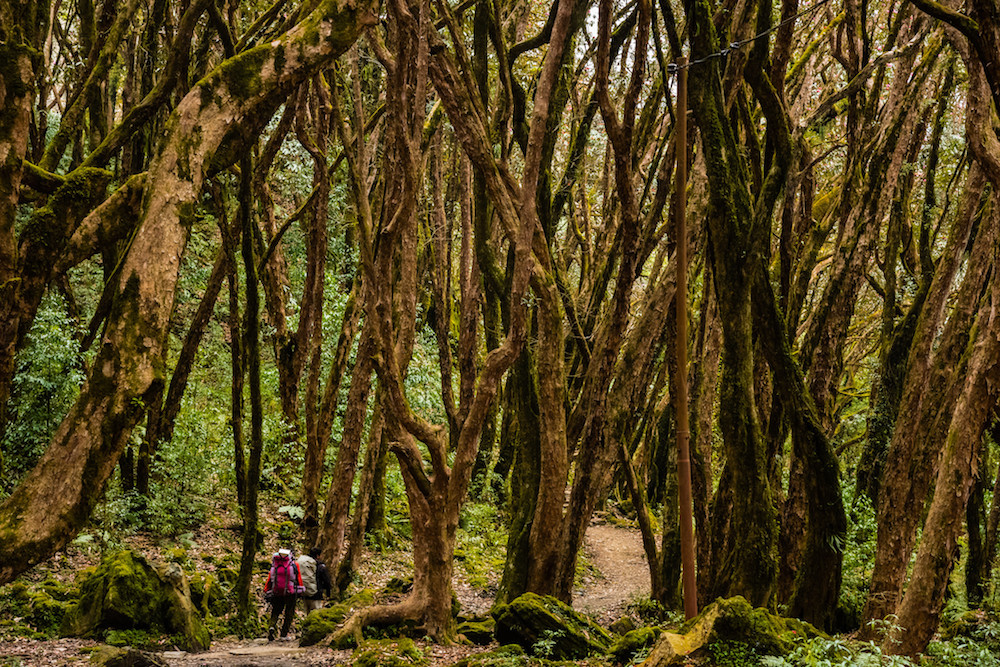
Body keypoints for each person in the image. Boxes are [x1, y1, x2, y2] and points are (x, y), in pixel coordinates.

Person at [264, 548, 303, 641]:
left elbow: (270, 577)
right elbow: (298, 578)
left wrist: (266, 589)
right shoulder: (294, 564)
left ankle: (272, 626)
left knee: (275, 611)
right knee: (289, 613)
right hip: (290, 593)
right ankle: (283, 634)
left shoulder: (275, 563)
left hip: (277, 592)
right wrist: (300, 589)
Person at [303, 547, 332, 613]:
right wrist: (328, 594)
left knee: (307, 614)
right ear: (318, 556)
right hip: (316, 594)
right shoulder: (320, 566)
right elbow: (326, 581)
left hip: (305, 593)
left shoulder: (305, 564)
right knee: (315, 614)